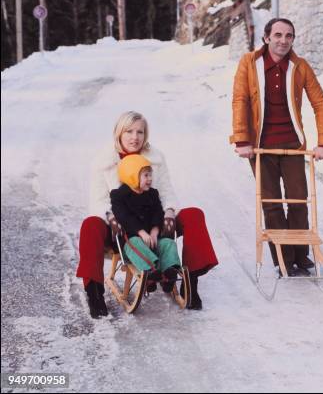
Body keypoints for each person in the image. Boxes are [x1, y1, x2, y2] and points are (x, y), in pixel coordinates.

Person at [77, 111, 218, 318]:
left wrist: (169, 213)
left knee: (194, 215)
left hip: (155, 220)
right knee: (90, 225)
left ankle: (190, 282)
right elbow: (99, 202)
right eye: (129, 132)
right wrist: (113, 219)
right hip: (121, 227)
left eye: (140, 132)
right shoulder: (103, 162)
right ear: (119, 133)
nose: (135, 137)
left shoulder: (155, 159)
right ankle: (93, 290)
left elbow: (167, 193)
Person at [230, 18, 323, 277]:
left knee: (299, 199)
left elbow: (319, 102)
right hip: (260, 146)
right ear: (266, 38)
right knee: (272, 202)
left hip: (292, 143)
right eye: (277, 35)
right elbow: (240, 99)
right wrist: (242, 140)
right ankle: (283, 258)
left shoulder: (299, 66)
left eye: (289, 36)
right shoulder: (249, 63)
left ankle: (301, 254)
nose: (283, 40)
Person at [111, 154, 181, 293]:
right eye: (146, 175)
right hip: (132, 243)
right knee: (135, 242)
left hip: (153, 240)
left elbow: (157, 213)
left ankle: (169, 271)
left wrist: (155, 231)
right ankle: (151, 272)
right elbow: (124, 217)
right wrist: (141, 232)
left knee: (168, 243)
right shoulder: (119, 195)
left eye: (150, 175)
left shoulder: (152, 194)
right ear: (132, 176)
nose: (150, 179)